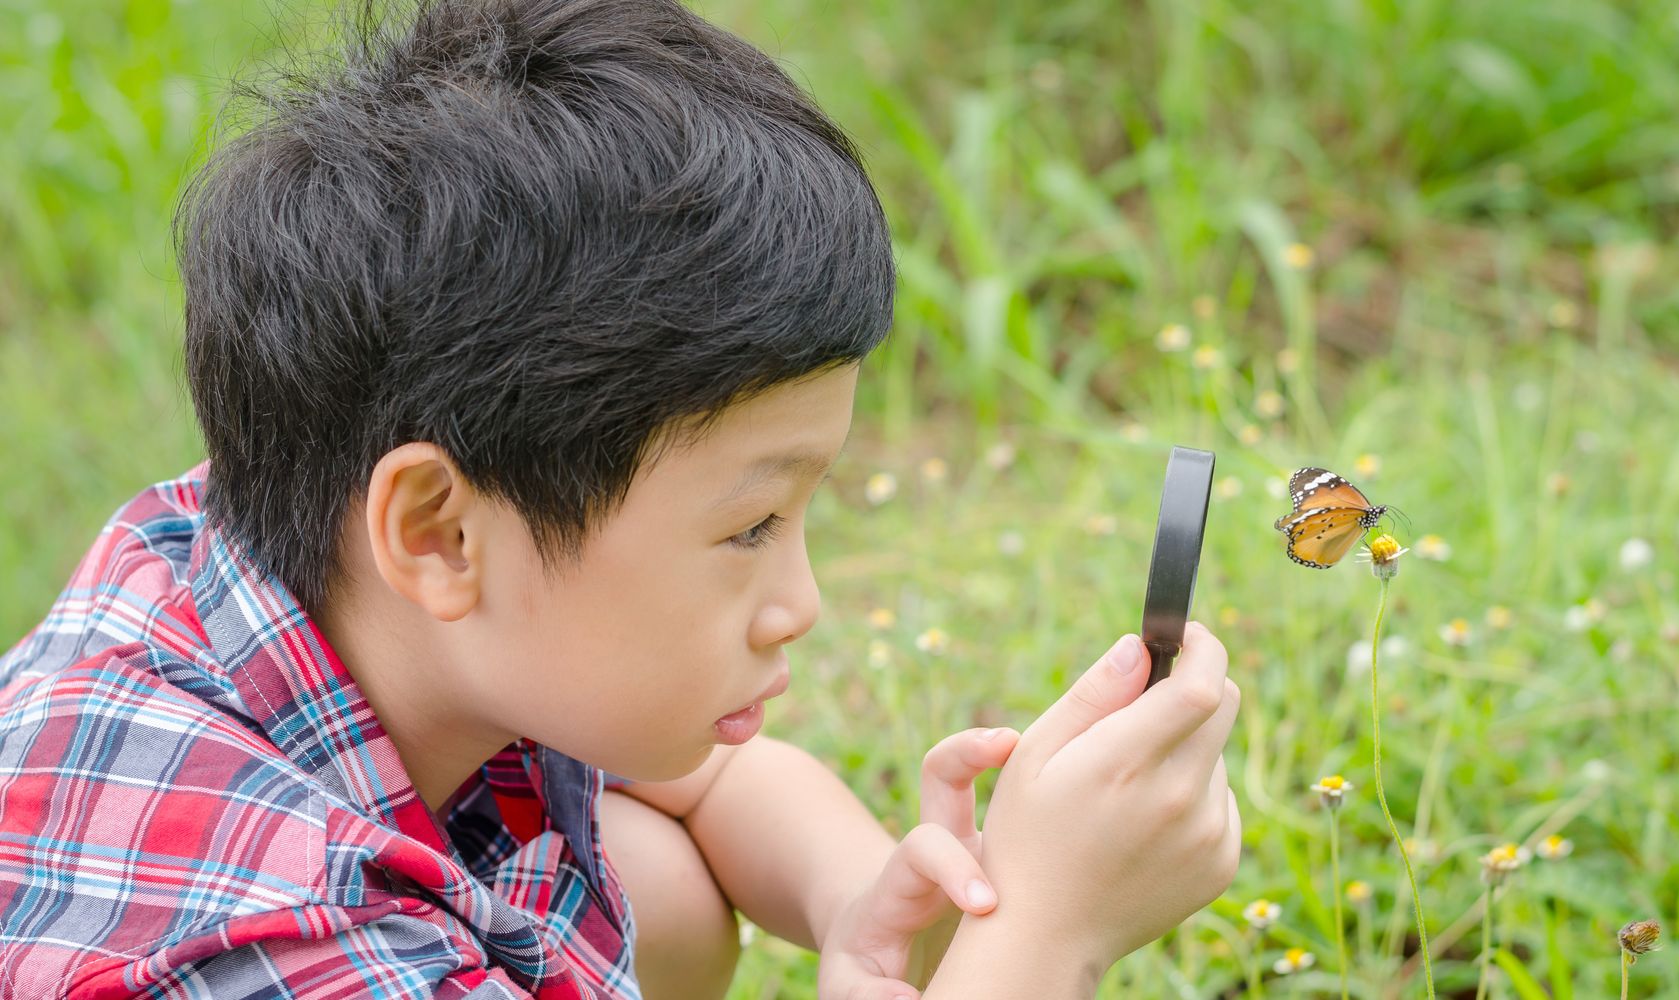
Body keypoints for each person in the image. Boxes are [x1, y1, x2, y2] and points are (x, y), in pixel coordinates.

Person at [0, 0, 1241, 995]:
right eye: (749, 525)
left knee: (665, 881)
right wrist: (1045, 937)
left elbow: (700, 781)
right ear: (435, 529)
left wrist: (861, 907)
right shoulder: (276, 950)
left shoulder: (320, 543)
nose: (798, 602)